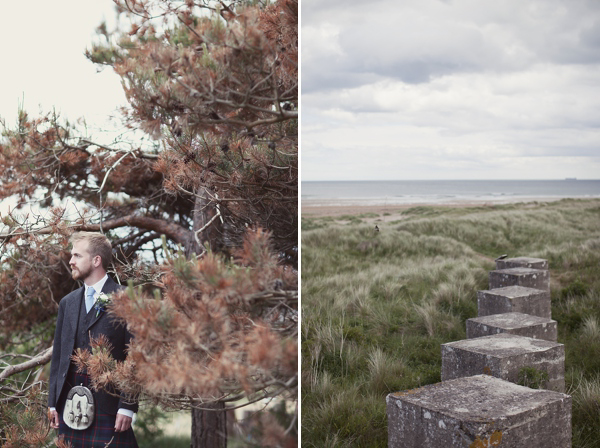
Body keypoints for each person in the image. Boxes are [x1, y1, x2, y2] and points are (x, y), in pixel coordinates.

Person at [48, 231, 138, 447]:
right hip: (69, 407)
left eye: (77, 255)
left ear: (96, 260)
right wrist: (53, 403)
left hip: (109, 405)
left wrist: (127, 405)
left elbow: (136, 357)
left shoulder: (124, 298)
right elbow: (59, 355)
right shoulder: (68, 303)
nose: (71, 261)